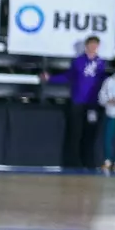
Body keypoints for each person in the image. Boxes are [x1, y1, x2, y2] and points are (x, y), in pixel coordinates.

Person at [44, 35, 107, 169]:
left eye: (95, 45)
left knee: (90, 133)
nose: (93, 48)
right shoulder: (78, 61)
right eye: (91, 45)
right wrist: (51, 78)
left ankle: (89, 162)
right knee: (75, 133)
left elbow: (104, 81)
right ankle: (74, 162)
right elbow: (68, 76)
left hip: (93, 103)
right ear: (86, 46)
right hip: (78, 101)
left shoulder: (101, 63)